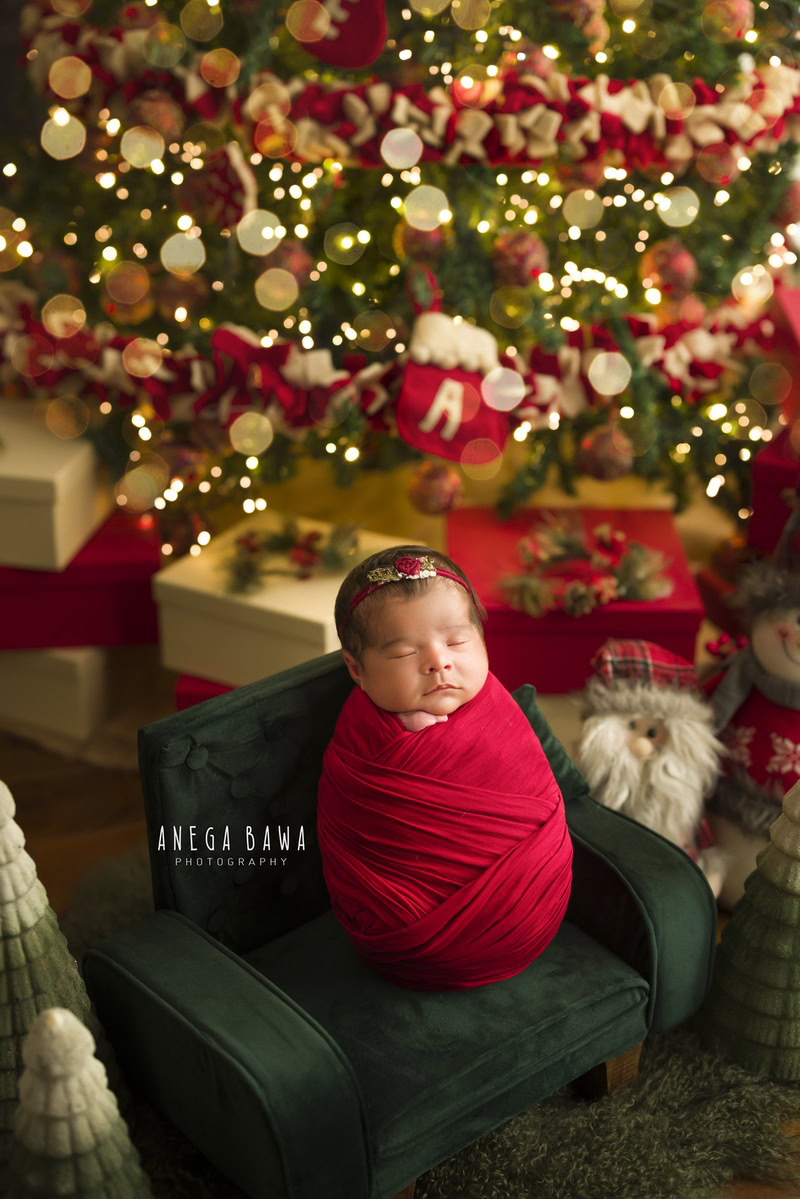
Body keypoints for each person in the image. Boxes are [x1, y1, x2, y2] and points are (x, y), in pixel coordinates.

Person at [316, 544, 574, 991]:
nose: (439, 661)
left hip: (534, 910)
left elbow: (536, 787)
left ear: (481, 640)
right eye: (402, 654)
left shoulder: (498, 707)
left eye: (457, 641)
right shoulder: (361, 744)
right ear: (356, 669)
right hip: (407, 939)